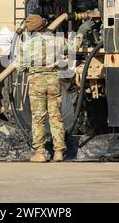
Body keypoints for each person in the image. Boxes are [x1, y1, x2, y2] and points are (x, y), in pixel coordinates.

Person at [17, 14, 92, 162]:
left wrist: (34, 70)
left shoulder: (25, 45)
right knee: (56, 116)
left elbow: (20, 67)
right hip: (53, 80)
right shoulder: (56, 41)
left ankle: (40, 153)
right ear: (43, 26)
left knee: (38, 118)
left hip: (35, 82)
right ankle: (58, 152)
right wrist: (82, 31)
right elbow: (73, 47)